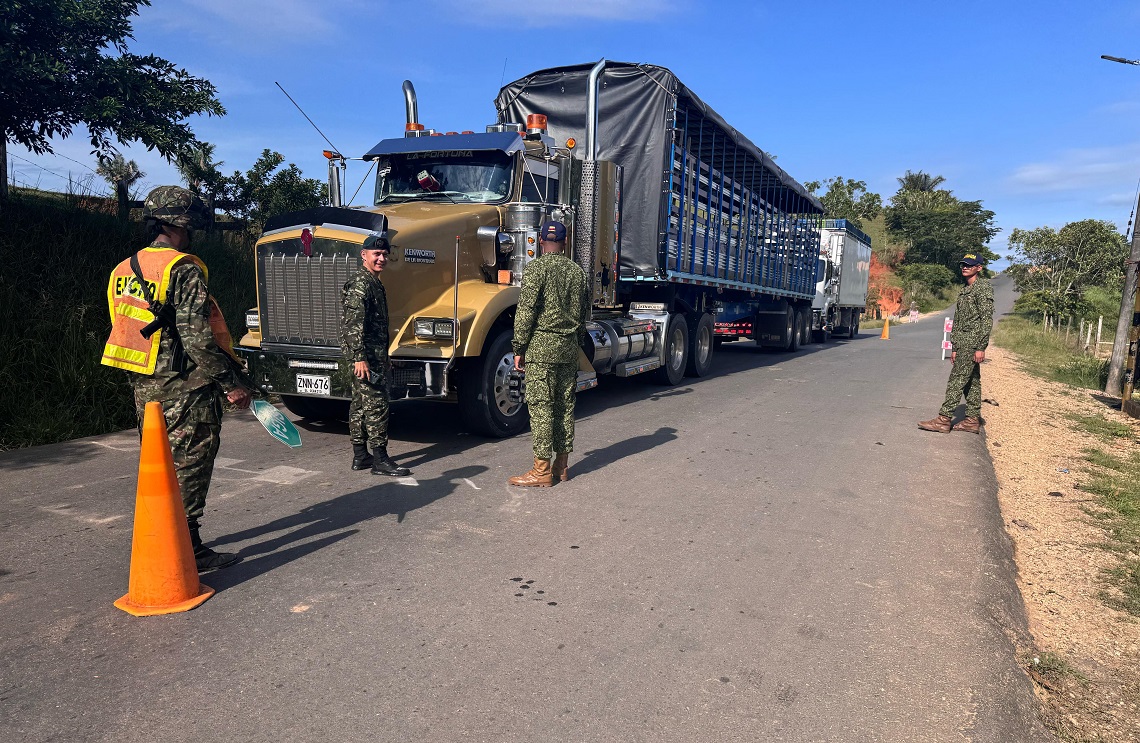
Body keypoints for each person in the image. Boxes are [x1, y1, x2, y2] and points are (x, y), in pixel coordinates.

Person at [102, 186, 253, 572]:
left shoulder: (123, 268)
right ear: (178, 225)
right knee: (190, 462)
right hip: (185, 385)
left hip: (144, 385)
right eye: (190, 227)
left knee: (160, 464)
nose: (192, 234)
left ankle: (162, 537)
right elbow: (197, 337)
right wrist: (230, 384)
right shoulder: (182, 267)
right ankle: (189, 549)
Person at [509, 220, 591, 487]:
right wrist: (576, 344)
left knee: (542, 408)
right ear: (565, 243)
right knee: (565, 407)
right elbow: (583, 314)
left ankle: (541, 470)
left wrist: (519, 348)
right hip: (568, 348)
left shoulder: (536, 269)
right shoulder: (577, 273)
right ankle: (561, 466)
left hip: (541, 349)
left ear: (542, 242)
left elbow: (526, 311)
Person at [341, 236, 411, 477]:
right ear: (364, 255)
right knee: (377, 404)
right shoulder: (361, 284)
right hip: (366, 357)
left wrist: (384, 356)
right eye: (376, 254)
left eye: (384, 255)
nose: (381, 259)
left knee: (360, 404)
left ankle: (361, 456)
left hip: (373, 354)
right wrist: (359, 357)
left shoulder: (373, 282)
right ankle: (380, 459)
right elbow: (353, 325)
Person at [918, 252, 995, 434]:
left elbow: (986, 320)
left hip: (972, 342)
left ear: (979, 268)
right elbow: (959, 321)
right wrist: (954, 347)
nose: (965, 268)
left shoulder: (982, 288)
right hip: (963, 342)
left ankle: (944, 419)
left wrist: (980, 347)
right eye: (963, 265)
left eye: (969, 265)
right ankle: (972, 420)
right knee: (971, 381)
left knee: (957, 380)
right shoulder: (965, 289)